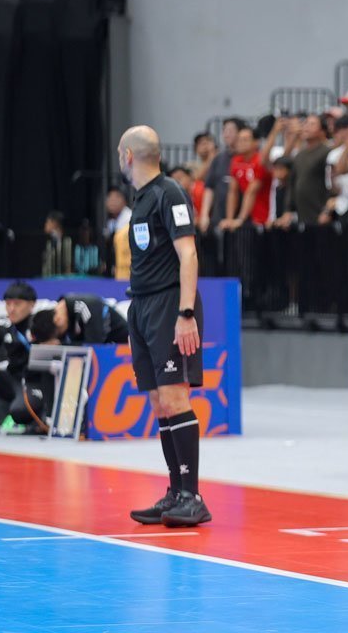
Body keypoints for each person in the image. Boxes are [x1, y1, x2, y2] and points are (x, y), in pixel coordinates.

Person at [119, 125, 210, 528]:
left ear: (128, 156)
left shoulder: (168, 192)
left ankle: (193, 496)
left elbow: (188, 254)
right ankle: (176, 491)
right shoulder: (140, 199)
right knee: (159, 401)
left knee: (175, 397)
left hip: (170, 303)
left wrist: (185, 313)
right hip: (142, 305)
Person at [0, 281, 35, 432]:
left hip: (34, 383)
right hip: (12, 381)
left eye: (17, 304)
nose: (11, 309)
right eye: (8, 304)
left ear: (32, 304)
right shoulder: (5, 328)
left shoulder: (40, 325)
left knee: (20, 412)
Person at [51, 293, 129, 345]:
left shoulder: (86, 307)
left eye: (57, 331)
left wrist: (60, 345)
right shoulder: (66, 314)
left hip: (124, 348)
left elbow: (93, 345)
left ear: (58, 319)